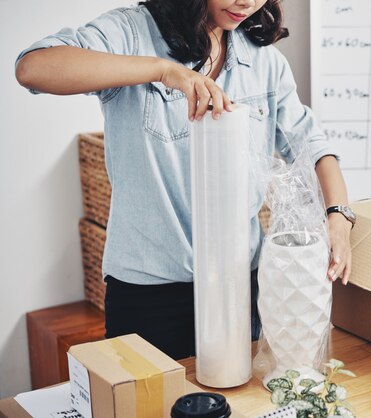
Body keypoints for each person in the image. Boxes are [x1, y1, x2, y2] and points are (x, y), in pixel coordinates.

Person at [15, 0, 353, 360]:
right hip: (150, 295)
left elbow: (312, 144)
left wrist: (339, 214)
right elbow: (34, 67)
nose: (247, 3)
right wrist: (163, 71)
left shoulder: (264, 61)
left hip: (241, 285)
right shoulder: (132, 33)